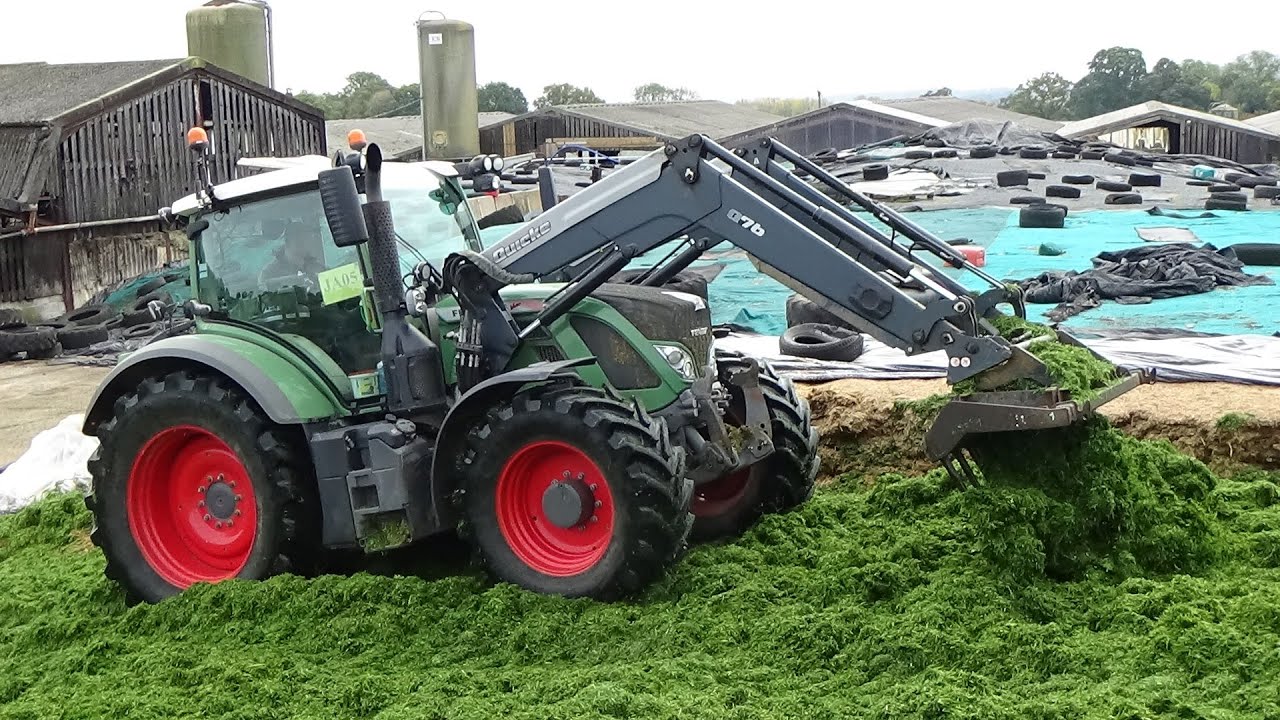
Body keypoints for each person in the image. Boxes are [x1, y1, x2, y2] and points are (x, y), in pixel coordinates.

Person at [258, 221, 328, 288]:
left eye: (308, 239)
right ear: (287, 242)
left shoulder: (318, 269)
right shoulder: (269, 274)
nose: (306, 244)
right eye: (301, 240)